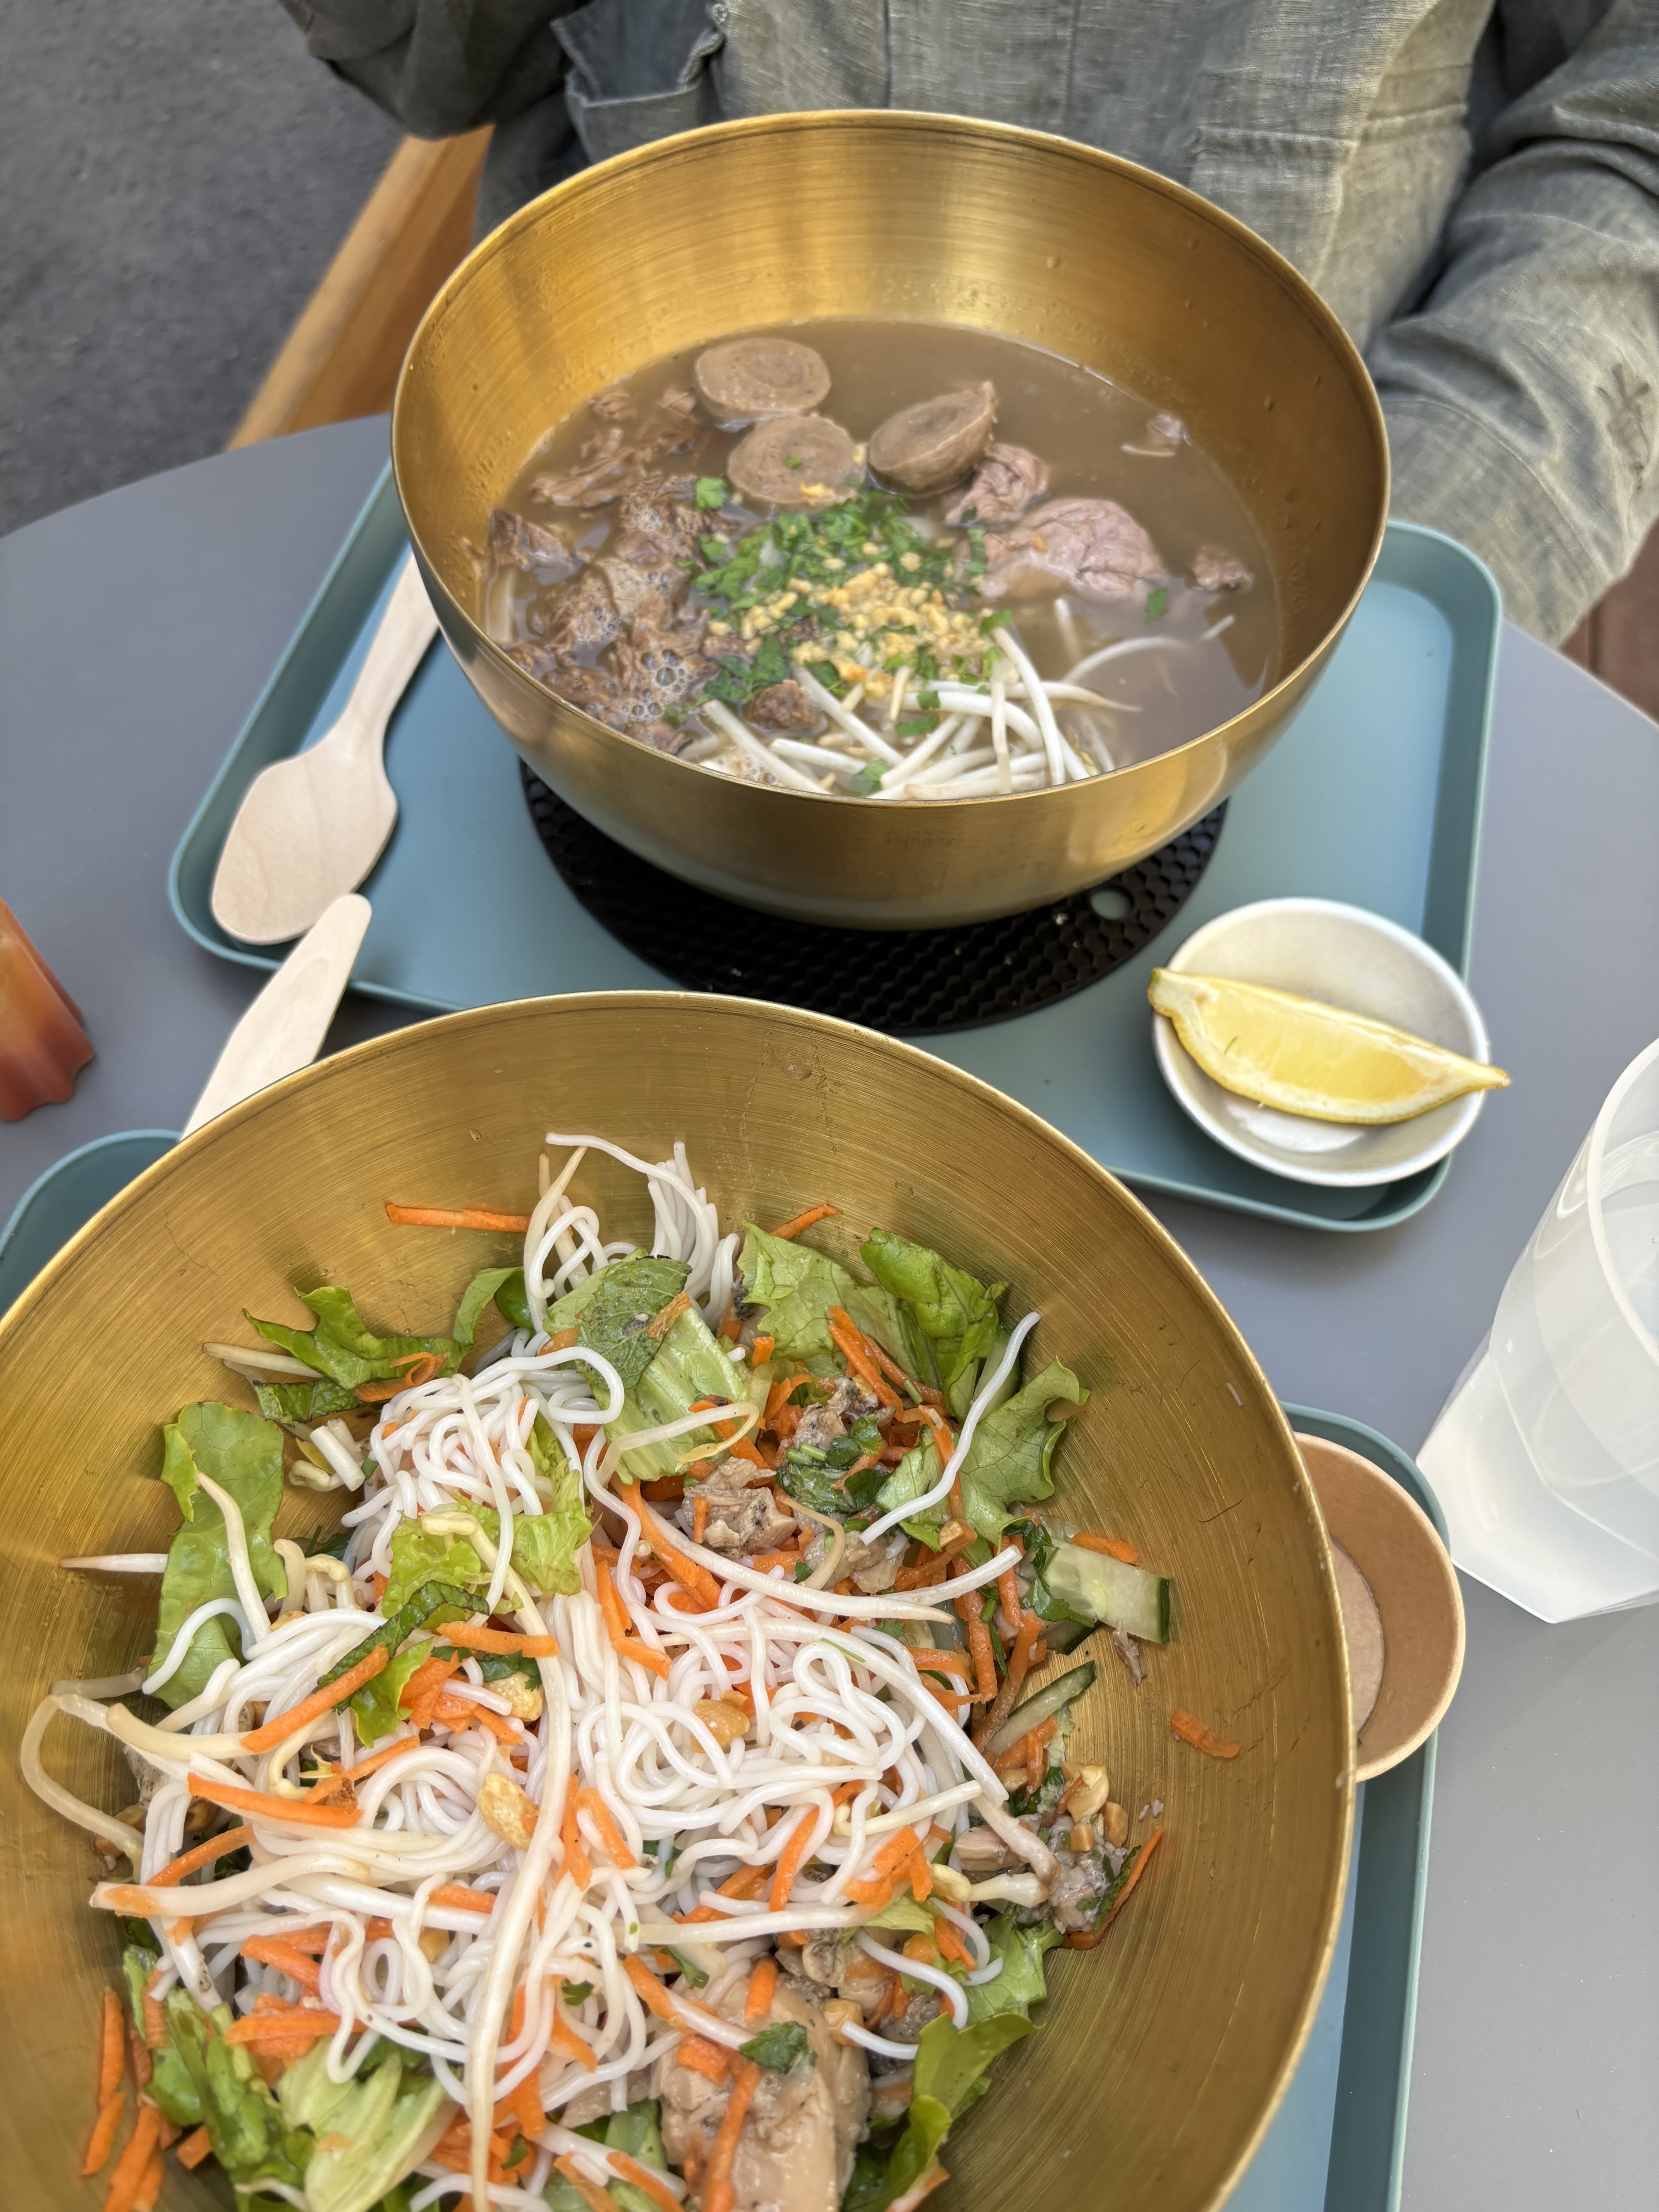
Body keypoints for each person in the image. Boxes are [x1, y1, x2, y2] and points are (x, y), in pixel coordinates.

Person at [277, 0, 1659, 644]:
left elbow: (1626, 136)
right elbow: (432, 65)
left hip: (1319, 533)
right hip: (605, 499)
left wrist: (1397, 591)